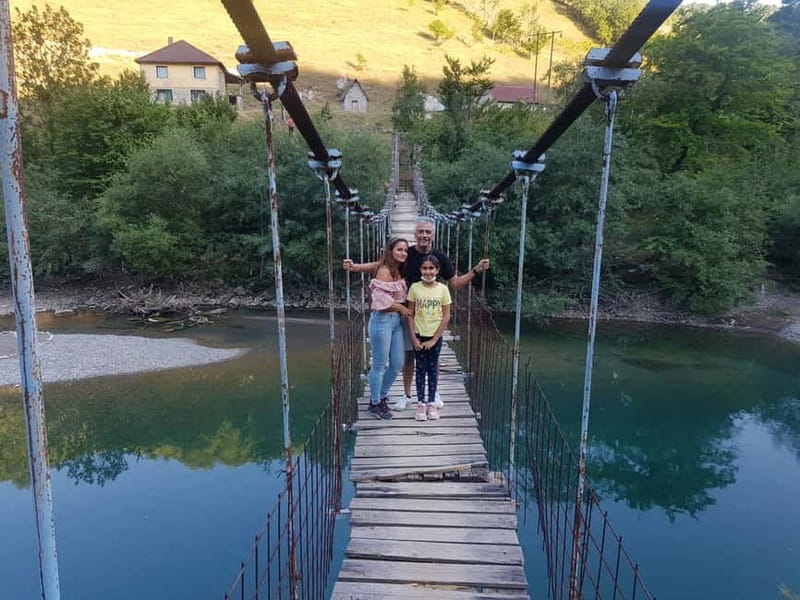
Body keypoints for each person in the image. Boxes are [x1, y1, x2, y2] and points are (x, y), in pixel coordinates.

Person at [344, 217, 490, 409]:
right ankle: (406, 395)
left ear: (433, 235)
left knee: (432, 356)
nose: (424, 235)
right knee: (409, 355)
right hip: (406, 315)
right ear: (415, 234)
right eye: (420, 231)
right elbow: (379, 265)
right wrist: (355, 267)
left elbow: (454, 283)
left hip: (430, 317)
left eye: (428, 232)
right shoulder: (406, 254)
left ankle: (432, 392)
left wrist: (476, 271)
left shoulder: (440, 258)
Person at [364, 237, 411, 420]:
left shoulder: (398, 270)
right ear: (390, 251)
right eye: (399, 249)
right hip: (382, 320)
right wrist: (401, 308)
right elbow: (380, 302)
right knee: (379, 365)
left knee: (397, 363)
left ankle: (381, 395)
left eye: (405, 250)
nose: (403, 253)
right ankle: (375, 403)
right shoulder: (384, 271)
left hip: (395, 322)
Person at [406, 254, 452, 421]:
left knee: (432, 370)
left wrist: (434, 339)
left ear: (437, 270)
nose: (428, 271)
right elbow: (410, 314)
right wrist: (413, 337)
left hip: (435, 336)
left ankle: (432, 403)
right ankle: (421, 403)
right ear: (420, 270)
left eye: (431, 268)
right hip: (419, 334)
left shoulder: (443, 289)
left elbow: (446, 316)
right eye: (425, 268)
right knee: (420, 369)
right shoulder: (414, 288)